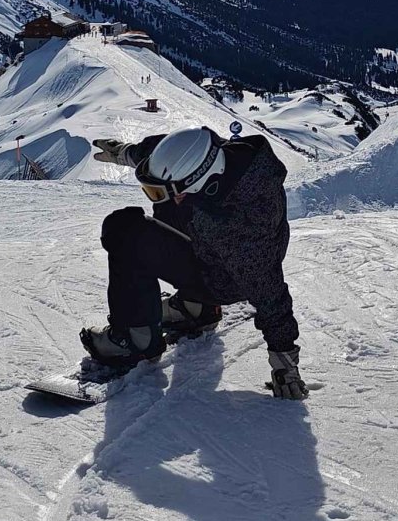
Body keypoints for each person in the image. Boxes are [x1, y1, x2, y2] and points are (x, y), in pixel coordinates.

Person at [85, 125, 308, 400]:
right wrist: (125, 153)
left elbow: (271, 294)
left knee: (125, 230)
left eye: (155, 191)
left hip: (226, 280)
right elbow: (170, 151)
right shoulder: (224, 160)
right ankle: (195, 308)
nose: (154, 196)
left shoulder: (244, 230)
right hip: (211, 251)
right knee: (172, 205)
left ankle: (135, 338)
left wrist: (285, 365)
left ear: (200, 183)